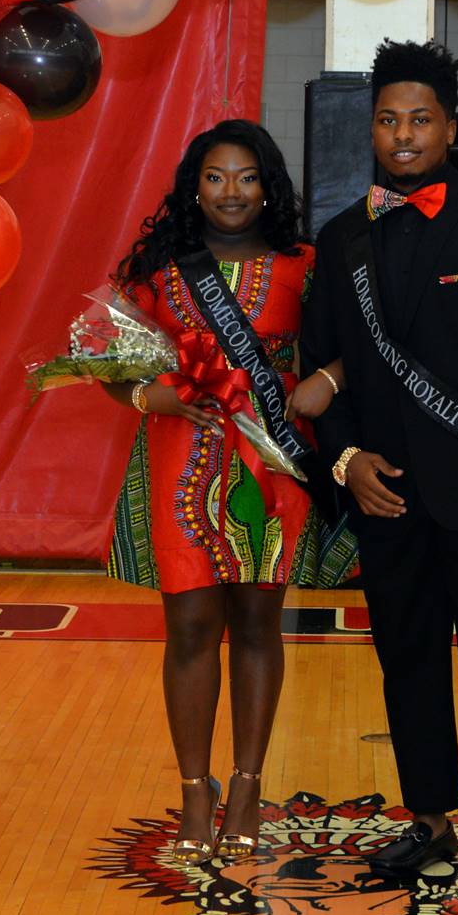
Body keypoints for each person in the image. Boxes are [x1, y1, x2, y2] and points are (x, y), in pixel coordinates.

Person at [296, 39, 458, 903]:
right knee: (406, 656)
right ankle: (431, 822)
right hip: (386, 494)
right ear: (368, 128)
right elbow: (322, 367)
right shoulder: (341, 238)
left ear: (451, 124)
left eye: (420, 119)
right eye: (387, 119)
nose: (403, 135)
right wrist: (344, 459)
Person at [103, 119, 356, 863]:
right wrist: (148, 396)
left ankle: (247, 782)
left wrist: (325, 380)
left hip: (270, 465)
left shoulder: (303, 265)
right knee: (187, 630)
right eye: (215, 177)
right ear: (193, 186)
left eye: (247, 177)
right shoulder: (158, 270)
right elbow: (111, 363)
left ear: (268, 184)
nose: (231, 192)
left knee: (256, 626)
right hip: (181, 461)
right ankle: (194, 787)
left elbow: (346, 347)